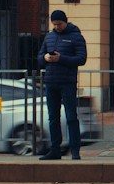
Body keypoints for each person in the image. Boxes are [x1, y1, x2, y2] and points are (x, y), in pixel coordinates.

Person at [37, 9, 87, 160]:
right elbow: (39, 58)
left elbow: (81, 59)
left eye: (59, 24)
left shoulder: (76, 37)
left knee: (71, 116)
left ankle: (75, 150)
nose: (57, 27)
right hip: (51, 82)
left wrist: (61, 58)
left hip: (67, 82)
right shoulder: (49, 36)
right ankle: (55, 150)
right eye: (54, 24)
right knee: (53, 118)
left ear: (65, 21)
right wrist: (45, 58)